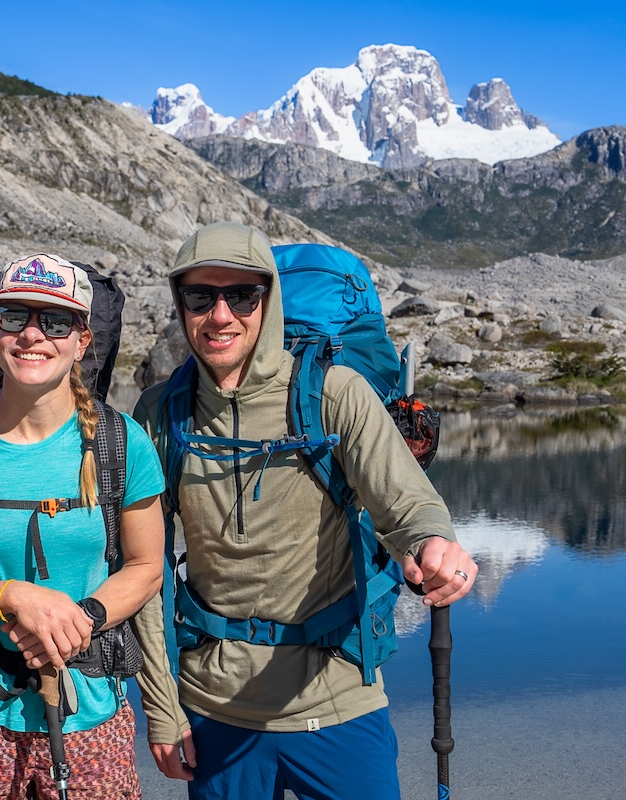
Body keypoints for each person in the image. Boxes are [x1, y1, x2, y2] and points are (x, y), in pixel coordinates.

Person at [131, 222, 478, 800]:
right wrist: (163, 710)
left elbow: (405, 502)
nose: (221, 315)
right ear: (181, 304)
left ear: (268, 301)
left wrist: (432, 543)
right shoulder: (160, 415)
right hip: (216, 707)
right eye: (201, 296)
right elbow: (147, 570)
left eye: (241, 295)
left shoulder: (335, 394)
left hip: (337, 697)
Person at [0, 254, 166, 799]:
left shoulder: (122, 444)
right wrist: (12, 597)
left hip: (91, 715)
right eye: (15, 317)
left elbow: (146, 567)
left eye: (56, 321)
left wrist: (84, 618)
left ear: (82, 339)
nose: (32, 336)